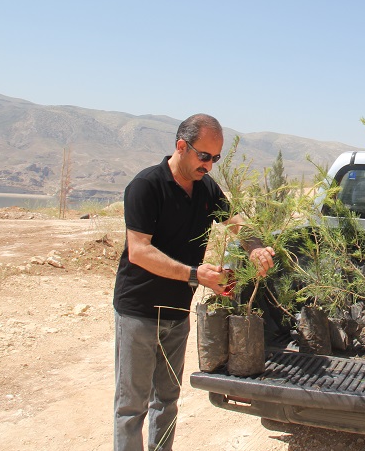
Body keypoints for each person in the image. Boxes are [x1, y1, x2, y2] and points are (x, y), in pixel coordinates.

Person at [112, 113, 275, 451]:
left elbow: (236, 222)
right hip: (139, 312)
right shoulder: (146, 186)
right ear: (181, 146)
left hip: (176, 311)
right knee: (132, 407)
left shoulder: (205, 188)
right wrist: (194, 275)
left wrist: (256, 246)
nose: (210, 166)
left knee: (167, 400)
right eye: (204, 157)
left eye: (215, 158)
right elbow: (139, 252)